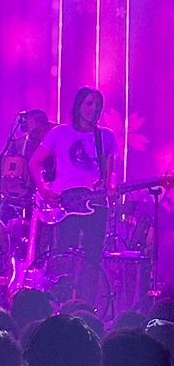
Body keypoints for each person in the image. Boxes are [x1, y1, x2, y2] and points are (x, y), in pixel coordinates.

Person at [28, 87, 117, 303]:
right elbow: (34, 162)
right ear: (78, 106)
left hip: (96, 204)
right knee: (63, 256)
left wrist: (111, 188)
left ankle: (86, 304)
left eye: (98, 105)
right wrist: (44, 190)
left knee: (92, 258)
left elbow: (109, 174)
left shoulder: (106, 136)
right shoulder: (60, 133)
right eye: (89, 104)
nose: (94, 109)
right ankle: (62, 303)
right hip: (66, 204)